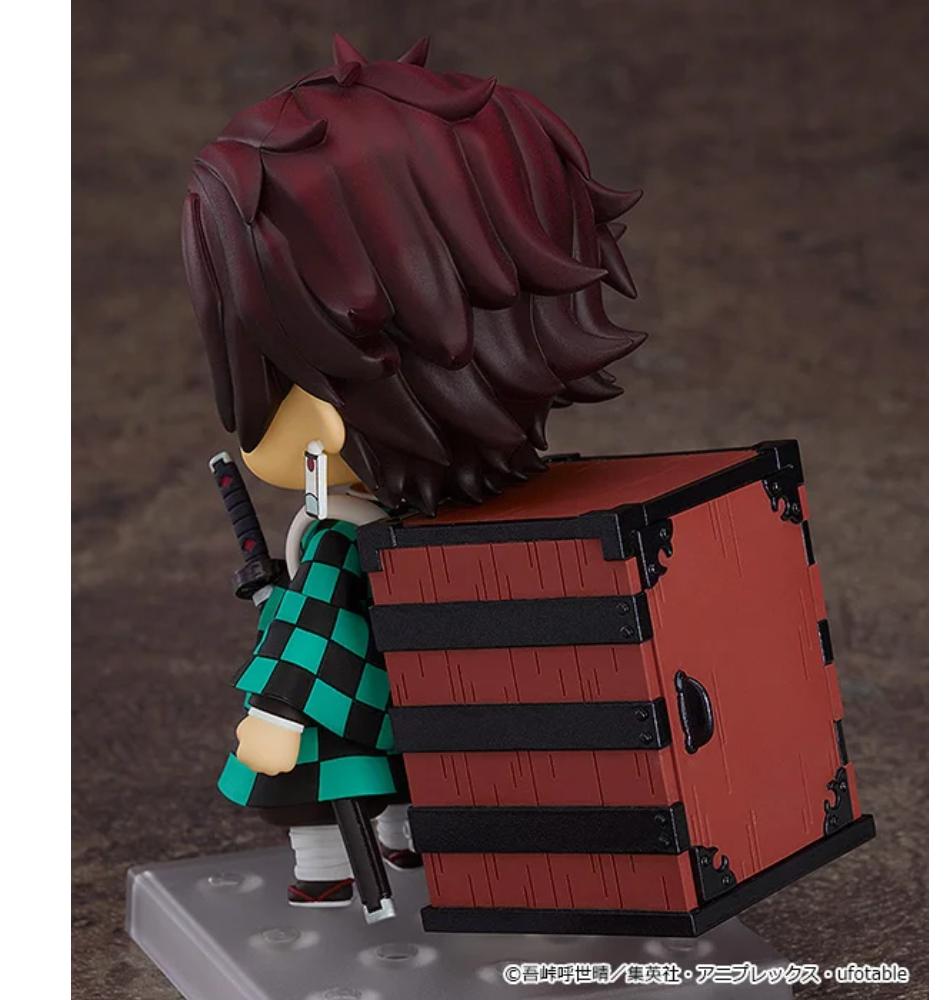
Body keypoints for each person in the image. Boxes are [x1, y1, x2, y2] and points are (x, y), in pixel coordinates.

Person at [180, 33, 645, 910]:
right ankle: (404, 844)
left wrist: (275, 715)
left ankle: (346, 864)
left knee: (323, 796)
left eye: (275, 378)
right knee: (396, 785)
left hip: (358, 715)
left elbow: (311, 636)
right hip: (422, 722)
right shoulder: (477, 531)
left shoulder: (342, 538)